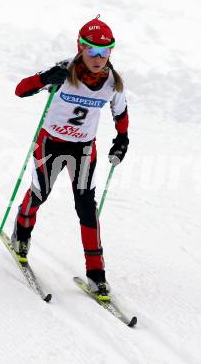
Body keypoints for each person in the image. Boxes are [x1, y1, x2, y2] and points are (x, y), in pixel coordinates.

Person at [12, 15, 129, 300]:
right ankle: (21, 236)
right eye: (92, 50)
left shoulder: (112, 82)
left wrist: (121, 140)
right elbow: (20, 90)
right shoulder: (63, 71)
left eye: (105, 51)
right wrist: (43, 79)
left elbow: (121, 113)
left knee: (87, 207)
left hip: (84, 150)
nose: (98, 57)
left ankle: (96, 274)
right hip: (50, 143)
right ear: (80, 47)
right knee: (39, 194)